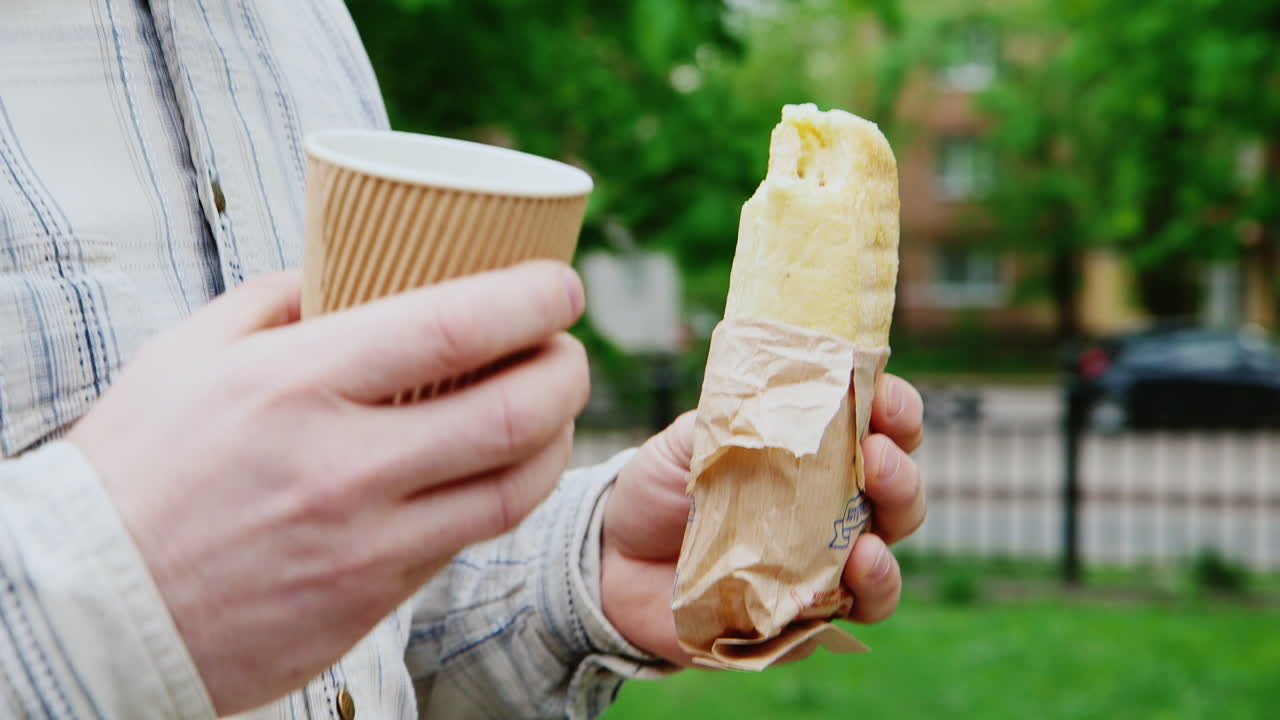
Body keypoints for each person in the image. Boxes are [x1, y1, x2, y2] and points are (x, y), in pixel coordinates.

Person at [0, 2, 927, 719]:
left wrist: (583, 573)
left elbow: (348, 650)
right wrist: (114, 593)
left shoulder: (304, 25)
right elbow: (171, 572)